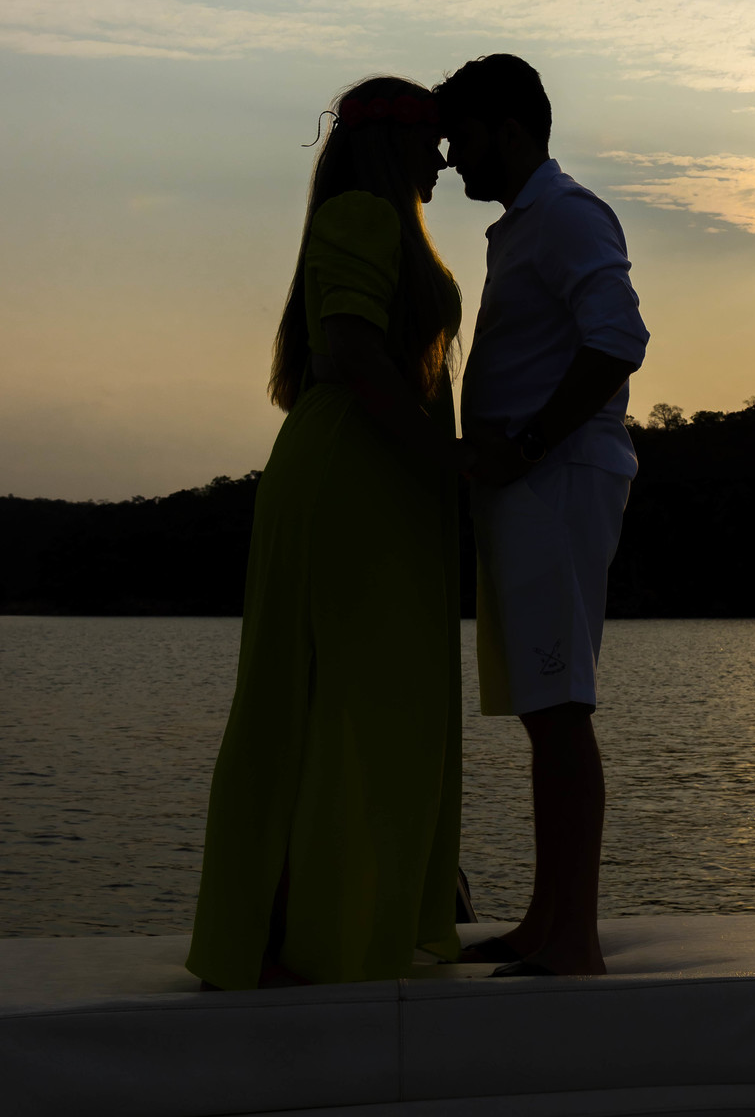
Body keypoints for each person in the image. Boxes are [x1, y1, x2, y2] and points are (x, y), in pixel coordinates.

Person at [186, 77, 463, 990]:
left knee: (346, 704)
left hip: (372, 487)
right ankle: (299, 941)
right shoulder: (361, 214)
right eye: (431, 142)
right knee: (338, 705)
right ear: (396, 146)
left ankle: (305, 931)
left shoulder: (371, 220)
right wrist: (446, 462)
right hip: (354, 484)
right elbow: (347, 352)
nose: (443, 159)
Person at [436, 54, 649, 978]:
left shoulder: (565, 215)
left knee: (561, 709)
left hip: (556, 485)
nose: (449, 158)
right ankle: (545, 919)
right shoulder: (521, 226)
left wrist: (524, 447)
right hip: (529, 491)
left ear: (510, 131)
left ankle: (576, 937)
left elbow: (619, 340)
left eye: (463, 137)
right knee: (543, 709)